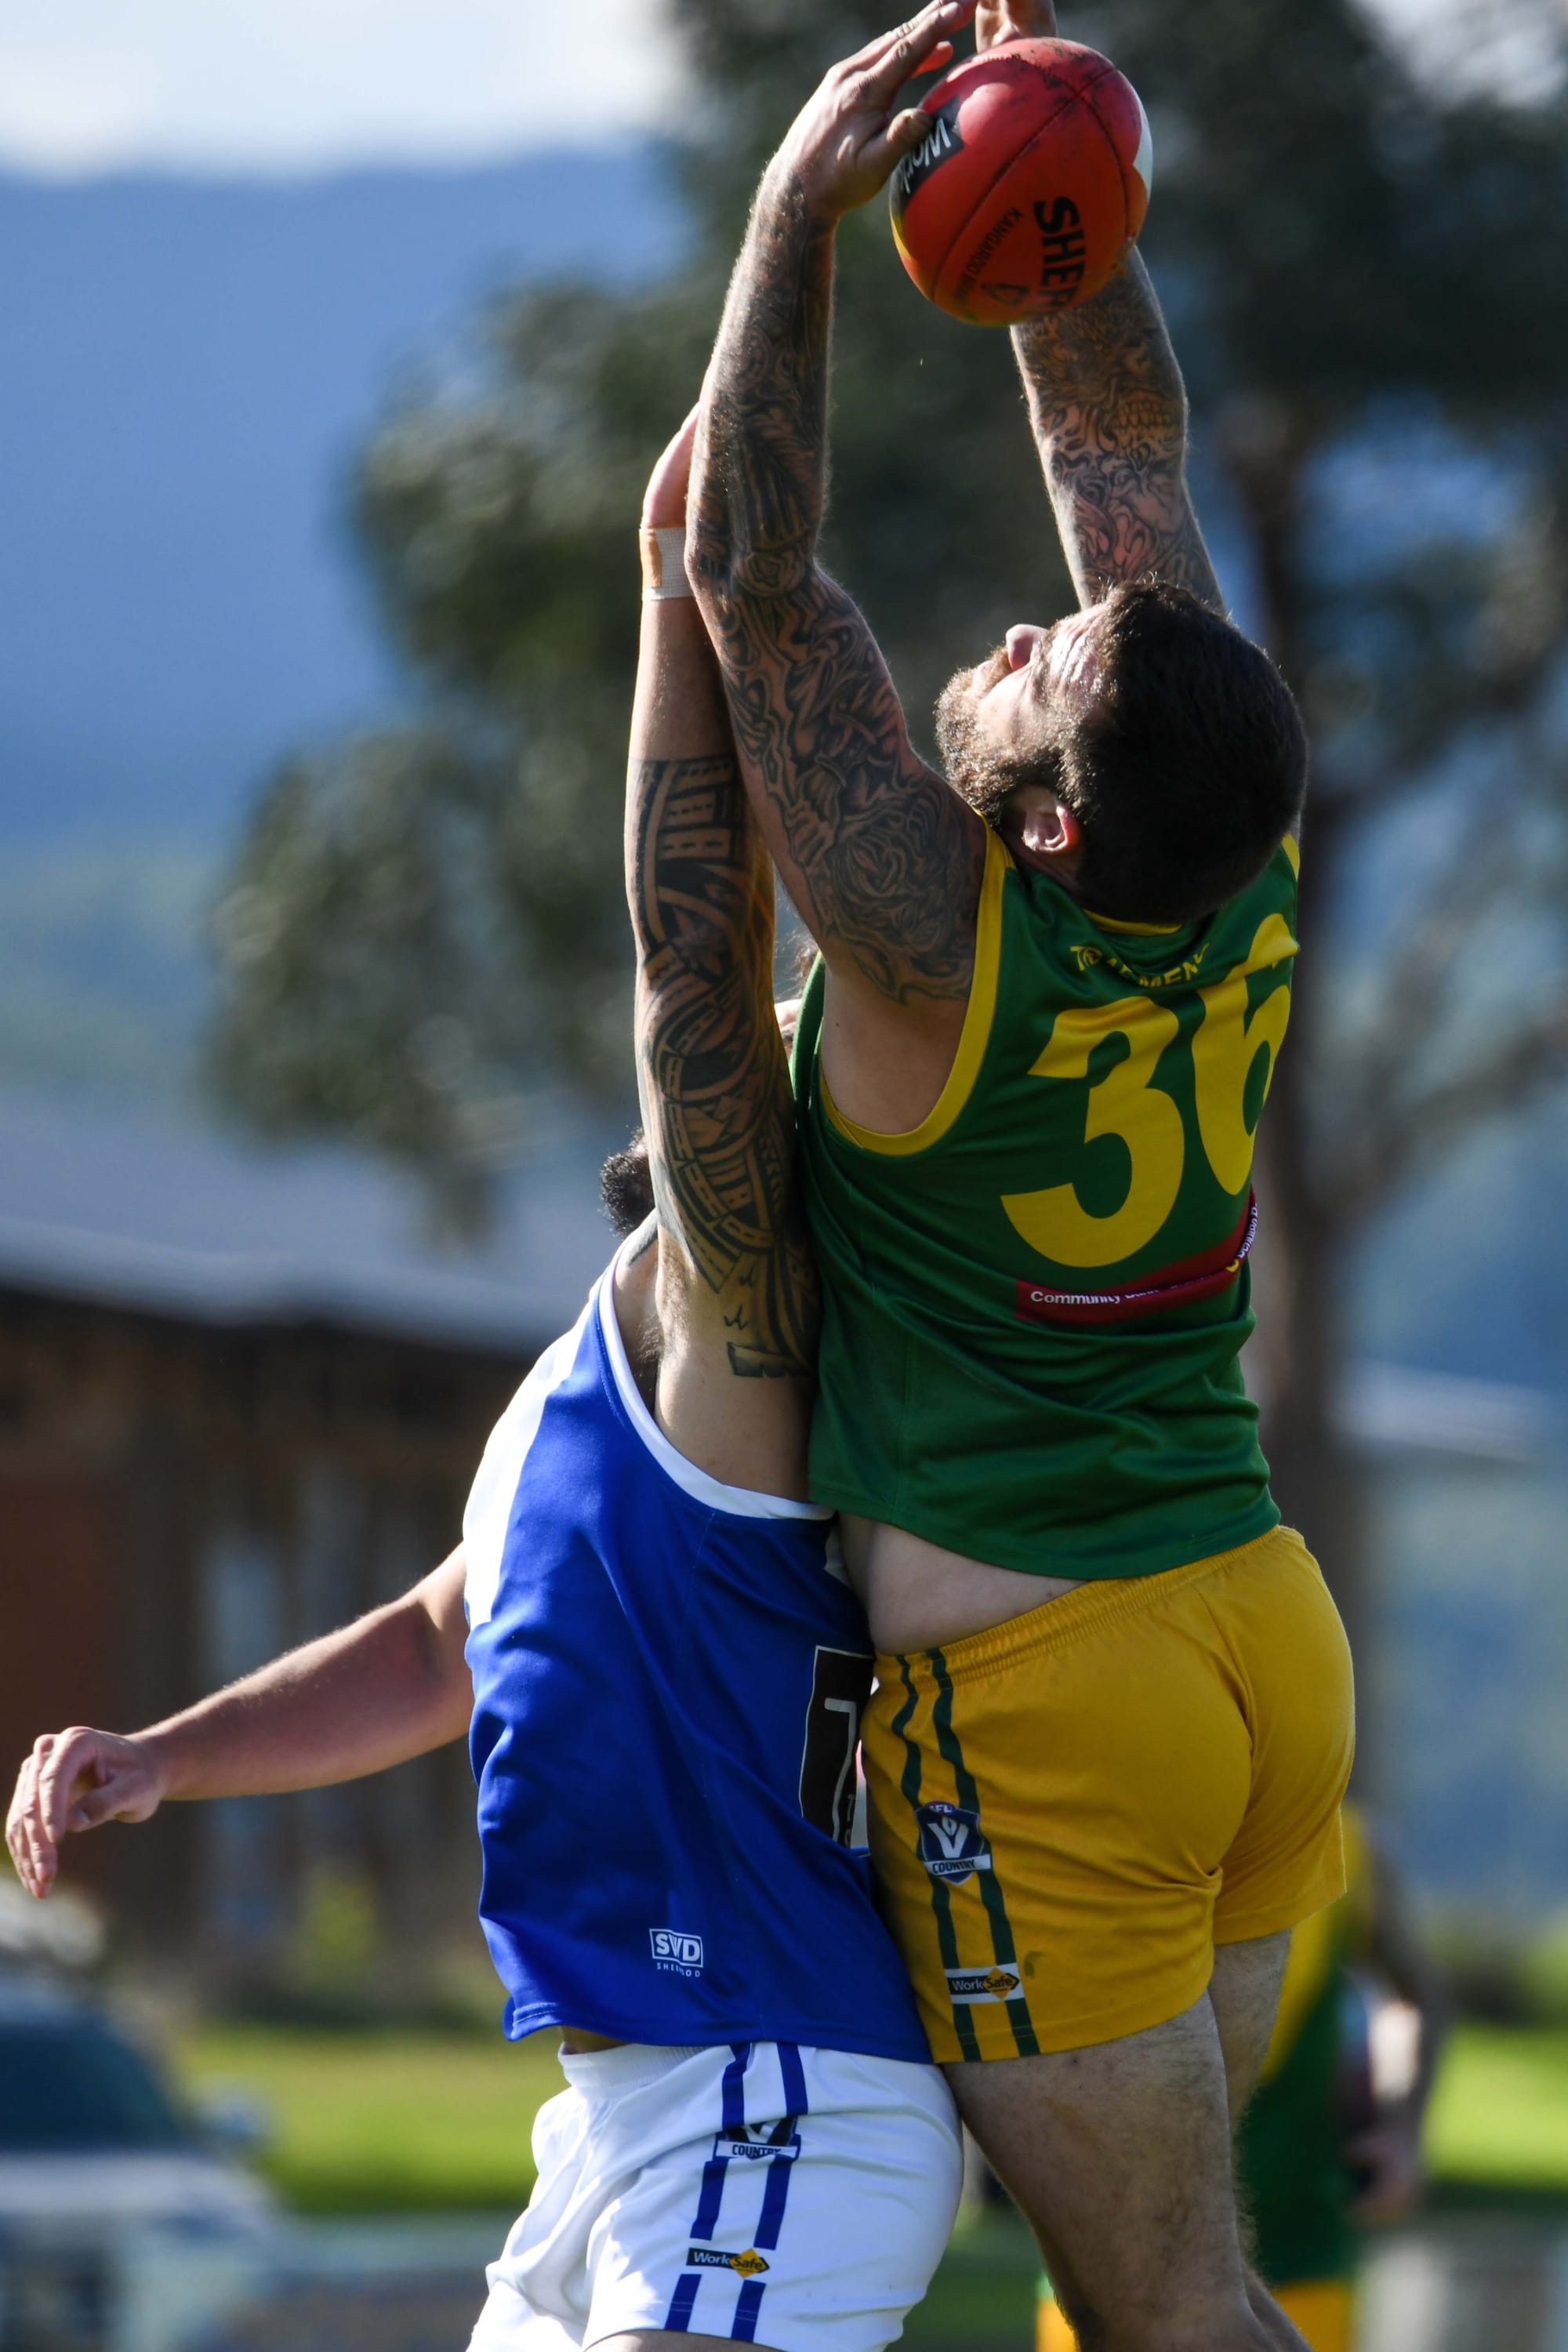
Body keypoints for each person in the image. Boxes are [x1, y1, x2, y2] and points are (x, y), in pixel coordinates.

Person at [5, 413, 963, 2352]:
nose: (751, 1057)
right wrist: (172, 1755)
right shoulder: (579, 1385)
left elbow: (691, 952)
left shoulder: (743, 1332)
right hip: (623, 2112)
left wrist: (673, 604)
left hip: (764, 2082)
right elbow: (447, 1641)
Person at [688, 2, 1355, 2344]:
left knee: (1169, 2312)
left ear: (1050, 815)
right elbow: (1124, 437)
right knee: (1184, 2296)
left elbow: (750, 572)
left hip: (1058, 1697)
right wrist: (1049, 199)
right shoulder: (1222, 844)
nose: (1023, 625)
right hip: (1250, 1639)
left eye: (1046, 661)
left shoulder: (927, 942)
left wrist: (797, 223)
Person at [1039, 1807, 1448, 2352]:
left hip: (1296, 2252)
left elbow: (1419, 1995)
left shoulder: (1345, 1845)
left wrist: (1403, 2131)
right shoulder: (1113, 1825)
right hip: (1104, 2262)